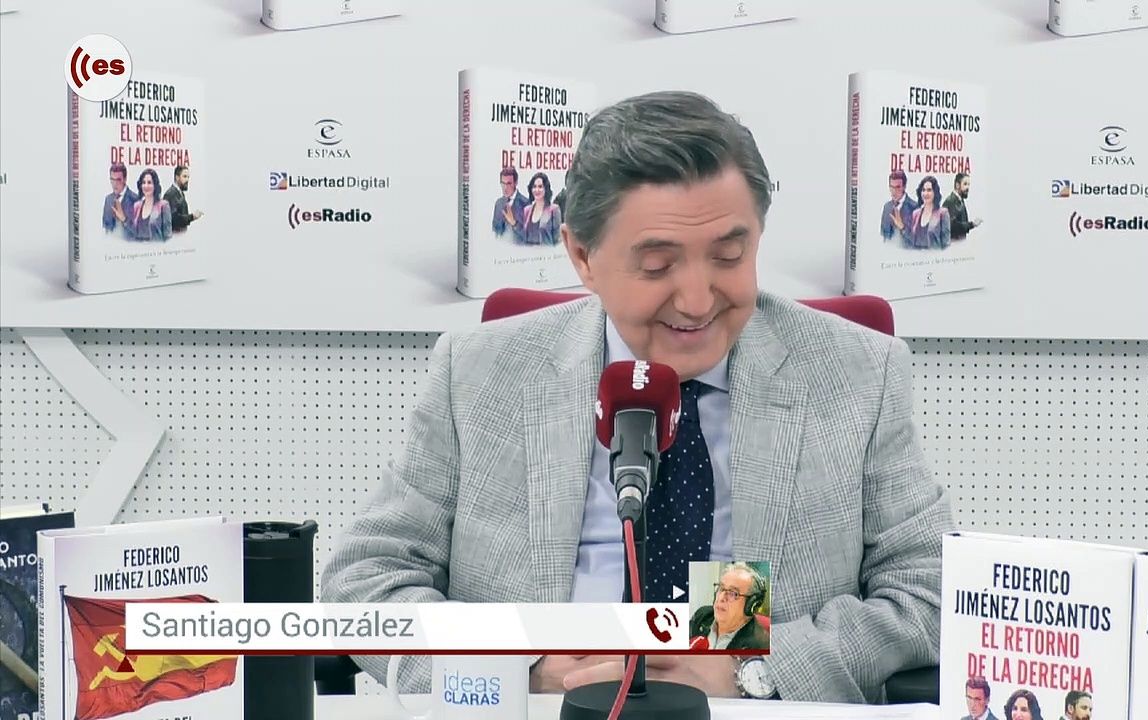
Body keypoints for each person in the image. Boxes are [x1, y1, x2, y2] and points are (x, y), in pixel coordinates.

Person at [321, 89, 954, 702]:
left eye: (729, 255)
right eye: (657, 266)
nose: (698, 301)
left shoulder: (858, 372)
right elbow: (364, 582)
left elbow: (931, 589)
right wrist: (516, 666)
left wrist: (751, 669)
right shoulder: (479, 372)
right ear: (581, 255)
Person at [688, 562, 770, 651]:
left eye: (733, 593)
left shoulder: (760, 645)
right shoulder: (702, 615)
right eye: (721, 588)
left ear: (751, 605)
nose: (721, 598)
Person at [127, 168, 172, 242]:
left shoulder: (163, 205)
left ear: (155, 185)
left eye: (149, 182)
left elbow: (168, 235)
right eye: (143, 182)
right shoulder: (137, 206)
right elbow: (132, 232)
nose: (146, 186)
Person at [517, 172, 561, 245]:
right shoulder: (527, 210)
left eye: (540, 187)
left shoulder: (554, 210)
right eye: (534, 186)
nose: (537, 190)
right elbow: (523, 235)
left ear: (546, 189)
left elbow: (558, 239)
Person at [909, 175, 951, 249]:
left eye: (929, 190)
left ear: (935, 192)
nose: (925, 193)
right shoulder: (915, 214)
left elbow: (946, 244)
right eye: (923, 190)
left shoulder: (943, 213)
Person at [880, 170, 917, 245]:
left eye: (898, 187)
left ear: (904, 187)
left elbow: (919, 240)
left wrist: (902, 228)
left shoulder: (915, 208)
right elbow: (883, 235)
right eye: (891, 187)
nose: (894, 191)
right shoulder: (887, 207)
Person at [492, 166, 529, 239]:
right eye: (503, 183)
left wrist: (514, 224)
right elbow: (494, 230)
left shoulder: (526, 204)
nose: (505, 188)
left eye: (509, 183)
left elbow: (530, 236)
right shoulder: (498, 203)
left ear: (516, 183)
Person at [163, 165, 203, 233]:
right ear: (177, 177)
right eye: (184, 176)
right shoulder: (170, 194)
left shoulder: (180, 193)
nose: (187, 180)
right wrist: (192, 217)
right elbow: (173, 219)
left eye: (188, 177)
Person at [942, 172, 981, 241]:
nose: (968, 187)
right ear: (957, 185)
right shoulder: (951, 201)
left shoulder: (959, 199)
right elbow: (952, 225)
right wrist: (972, 224)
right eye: (965, 184)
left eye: (968, 184)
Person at [102, 163, 137, 237]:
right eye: (112, 179)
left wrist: (124, 220)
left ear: (125, 179)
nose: (115, 184)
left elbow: (139, 232)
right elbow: (105, 227)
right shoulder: (108, 199)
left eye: (118, 180)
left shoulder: (135, 200)